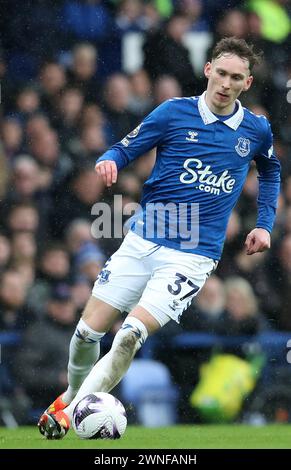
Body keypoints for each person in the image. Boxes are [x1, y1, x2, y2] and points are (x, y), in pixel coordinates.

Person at [38, 37, 281, 438]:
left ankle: (71, 413)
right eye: (220, 72)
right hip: (143, 240)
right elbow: (127, 146)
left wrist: (264, 223)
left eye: (235, 77)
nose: (225, 82)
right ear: (208, 70)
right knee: (87, 333)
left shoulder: (255, 130)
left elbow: (271, 172)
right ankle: (72, 395)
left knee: (131, 334)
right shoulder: (174, 113)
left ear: (247, 83)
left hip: (193, 255)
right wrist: (109, 161)